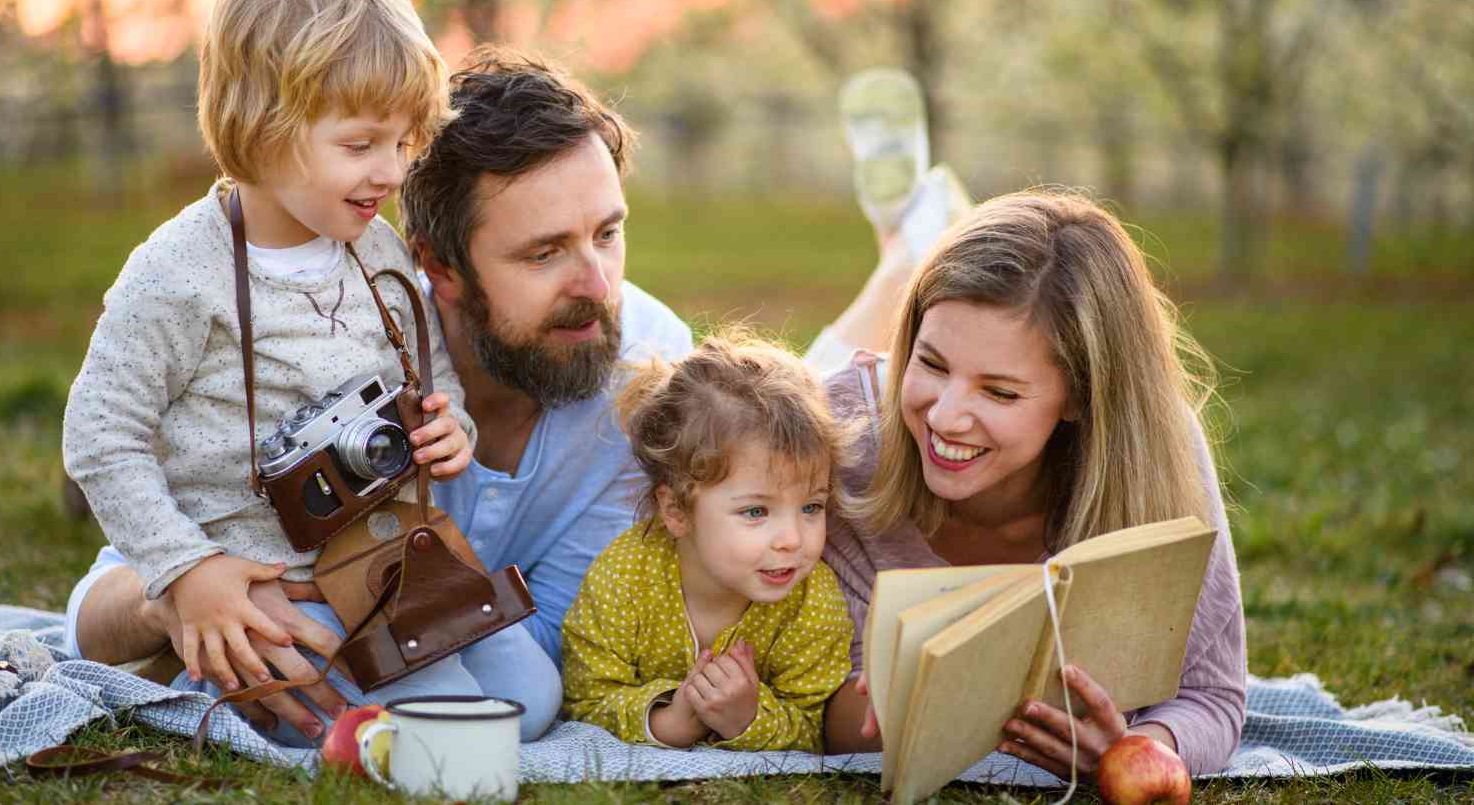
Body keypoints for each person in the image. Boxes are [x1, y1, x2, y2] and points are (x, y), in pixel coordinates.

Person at [64, 46, 694, 740]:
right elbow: (94, 617)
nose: (598, 285)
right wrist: (187, 605)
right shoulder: (339, 349)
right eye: (544, 253)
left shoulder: (649, 376)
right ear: (439, 268)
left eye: (608, 234)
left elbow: (557, 658)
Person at [818, 189, 1247, 778]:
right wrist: (884, 711)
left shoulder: (1159, 456)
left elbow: (1212, 697)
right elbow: (800, 701)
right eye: (932, 363)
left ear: (1080, 394)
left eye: (999, 391)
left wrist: (1130, 753)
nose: (944, 416)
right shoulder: (840, 440)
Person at [561, 331, 856, 751]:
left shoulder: (812, 603)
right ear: (676, 511)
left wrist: (749, 718)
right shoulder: (623, 579)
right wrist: (669, 720)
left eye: (811, 507)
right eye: (756, 511)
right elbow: (585, 698)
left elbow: (814, 724)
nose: (793, 539)